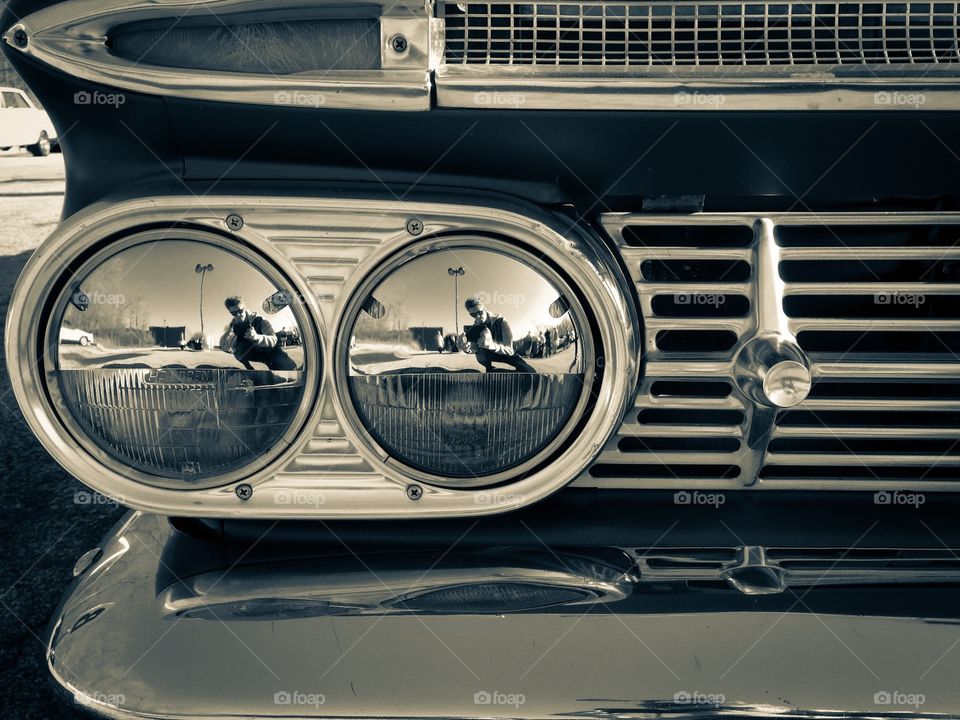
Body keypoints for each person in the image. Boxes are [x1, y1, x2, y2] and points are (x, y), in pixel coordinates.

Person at [456, 297, 535, 373]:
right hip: (489, 356)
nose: (478, 317)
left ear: (485, 309)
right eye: (473, 315)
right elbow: (476, 348)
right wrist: (467, 348)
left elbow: (510, 351)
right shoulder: (475, 327)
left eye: (480, 312)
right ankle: (490, 369)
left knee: (531, 372)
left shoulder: (501, 321)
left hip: (506, 354)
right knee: (481, 353)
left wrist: (492, 345)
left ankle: (497, 372)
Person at [219, 296, 297, 371]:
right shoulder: (232, 326)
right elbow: (225, 347)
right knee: (237, 349)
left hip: (272, 353)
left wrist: (256, 337)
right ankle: (250, 369)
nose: (238, 315)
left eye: (240, 311)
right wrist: (230, 332)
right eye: (234, 313)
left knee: (288, 369)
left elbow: (273, 340)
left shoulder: (260, 320)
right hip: (253, 355)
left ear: (245, 308)